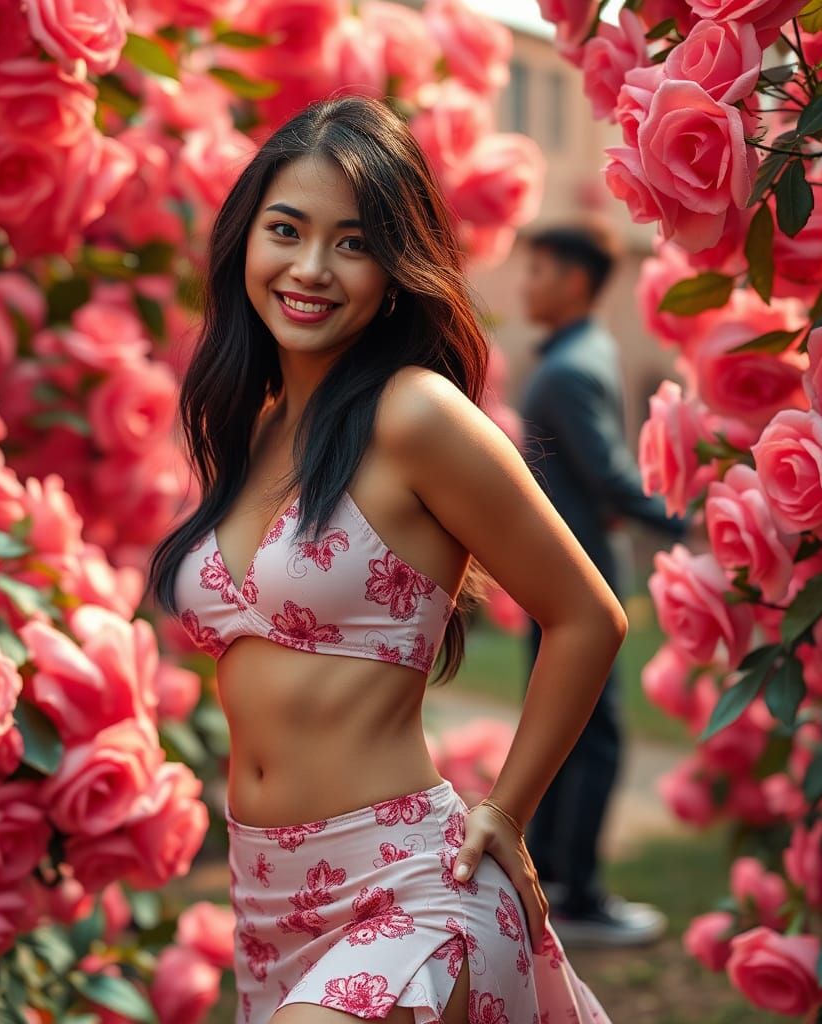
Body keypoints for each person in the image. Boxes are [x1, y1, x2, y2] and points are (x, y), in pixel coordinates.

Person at [149, 96, 626, 1024]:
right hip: (267, 905)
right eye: (285, 230)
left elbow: (587, 616)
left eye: (354, 243)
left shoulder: (416, 415)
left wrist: (511, 808)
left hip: (410, 889)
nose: (311, 268)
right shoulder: (251, 430)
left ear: (397, 268)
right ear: (246, 240)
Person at [518, 225, 686, 948]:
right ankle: (572, 888)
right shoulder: (582, 360)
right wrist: (692, 521)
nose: (526, 284)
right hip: (568, 581)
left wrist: (691, 521)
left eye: (540, 271)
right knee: (589, 736)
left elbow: (611, 478)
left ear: (577, 283)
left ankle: (564, 880)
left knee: (575, 733)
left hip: (568, 580)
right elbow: (613, 479)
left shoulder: (569, 368)